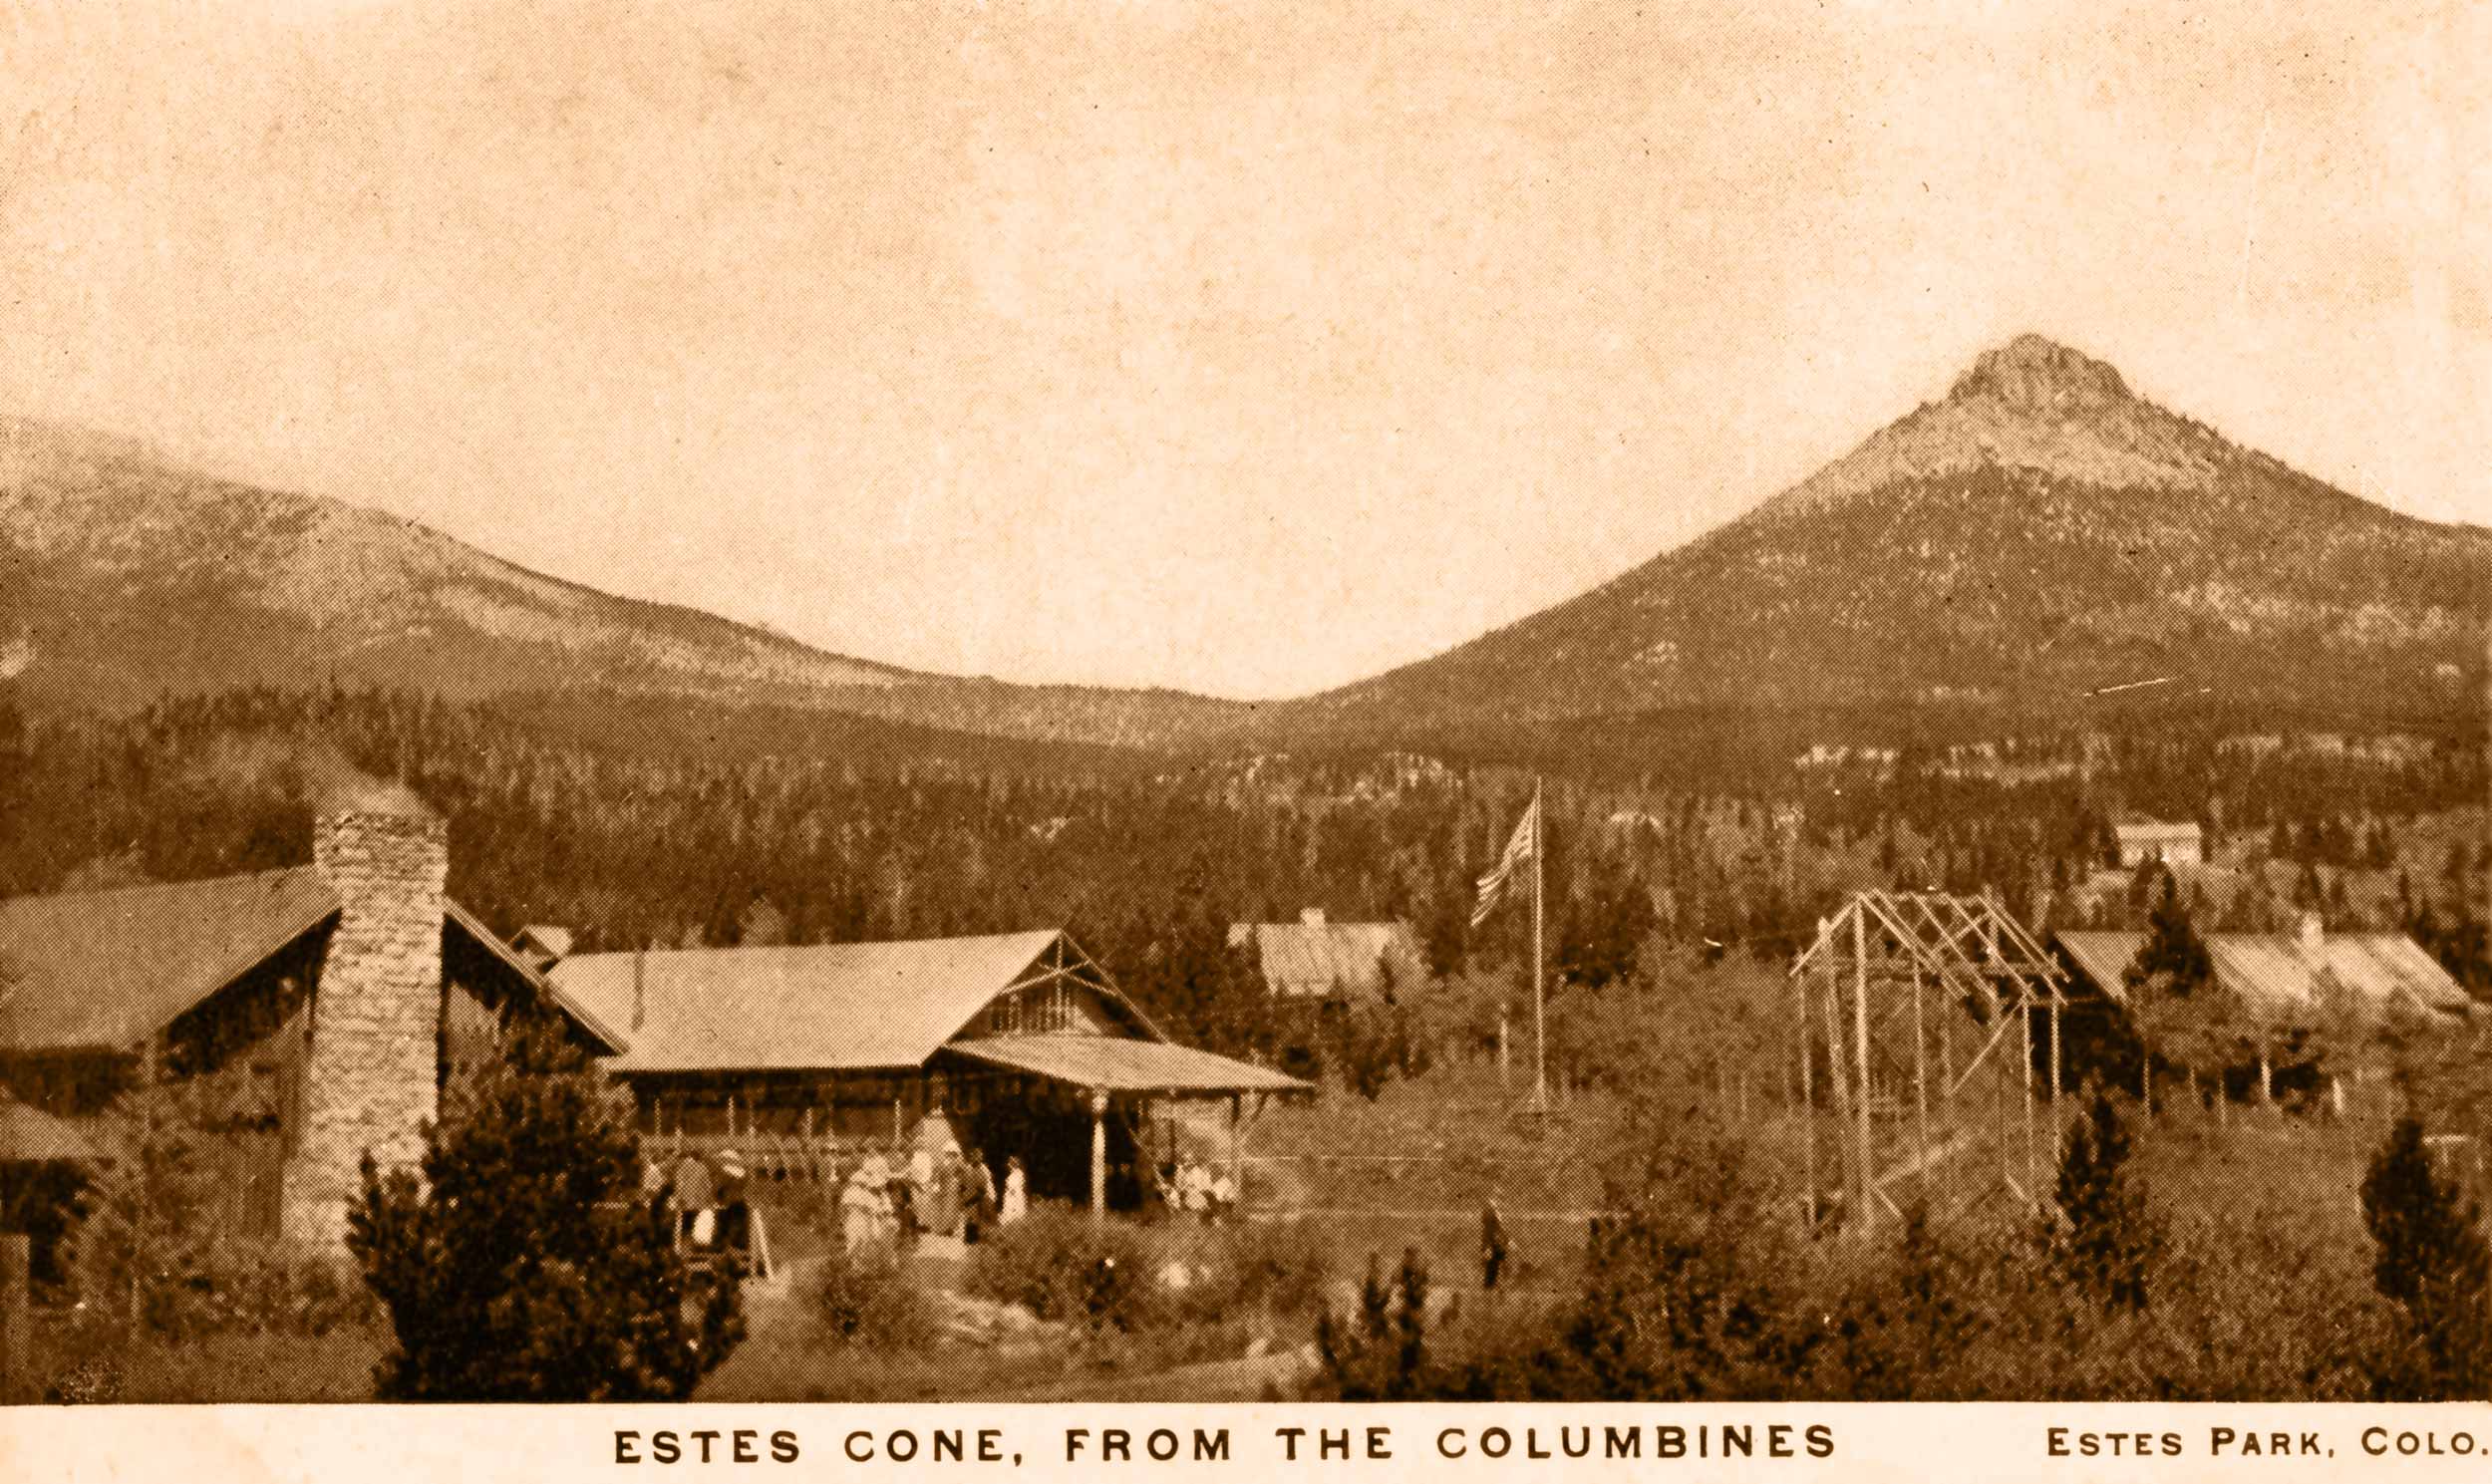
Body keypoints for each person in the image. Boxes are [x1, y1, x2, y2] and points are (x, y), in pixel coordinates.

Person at [672, 1147, 716, 1250]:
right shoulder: (700, 1167)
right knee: (690, 1224)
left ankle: (683, 1247)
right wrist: (709, 1199)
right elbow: (708, 1186)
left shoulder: (686, 1166)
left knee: (685, 1224)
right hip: (695, 1202)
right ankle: (687, 1247)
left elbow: (680, 1183)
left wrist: (679, 1196)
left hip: (687, 1202)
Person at [715, 1149, 751, 1256]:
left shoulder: (725, 1176)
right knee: (736, 1228)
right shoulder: (741, 1175)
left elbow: (719, 1190)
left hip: (728, 1205)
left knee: (725, 1229)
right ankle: (735, 1250)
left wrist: (718, 1197)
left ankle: (725, 1250)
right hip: (737, 1203)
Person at [1480, 1192, 1509, 1292]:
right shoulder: (1492, 1214)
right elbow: (1497, 1228)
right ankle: (1494, 1286)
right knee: (1494, 1264)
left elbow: (1498, 1228)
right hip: (1492, 1242)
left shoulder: (1491, 1213)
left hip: (1492, 1242)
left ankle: (1494, 1286)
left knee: (1494, 1264)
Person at [1001, 1155, 1028, 1226]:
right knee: (1009, 1209)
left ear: (1013, 1165)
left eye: (1009, 1164)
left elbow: (1017, 1185)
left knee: (1015, 1209)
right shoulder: (1012, 1174)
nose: (1008, 1165)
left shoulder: (1018, 1173)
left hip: (1015, 1194)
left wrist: (1012, 1193)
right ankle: (1010, 1222)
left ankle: (1014, 1222)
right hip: (1012, 1194)